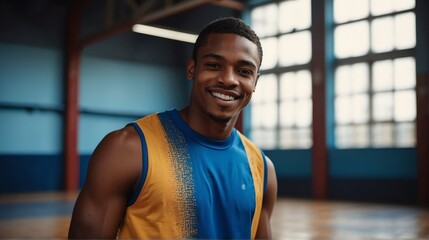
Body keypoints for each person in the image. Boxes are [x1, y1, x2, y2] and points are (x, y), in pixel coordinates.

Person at [68, 17, 277, 239]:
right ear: (191, 69)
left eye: (244, 71)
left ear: (255, 82)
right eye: (214, 65)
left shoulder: (263, 169)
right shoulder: (127, 150)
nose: (228, 79)